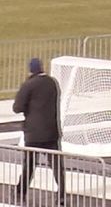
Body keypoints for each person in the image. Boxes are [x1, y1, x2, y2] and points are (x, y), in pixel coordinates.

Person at [13, 57, 64, 204]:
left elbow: (17, 107)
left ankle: (21, 190)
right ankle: (61, 193)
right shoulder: (52, 83)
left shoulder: (28, 85)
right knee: (56, 165)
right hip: (51, 131)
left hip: (34, 133)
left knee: (29, 164)